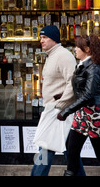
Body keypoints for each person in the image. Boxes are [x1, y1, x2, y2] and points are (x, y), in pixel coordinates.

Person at [58, 34, 100, 176]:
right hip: (82, 113)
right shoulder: (83, 66)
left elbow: (88, 95)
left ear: (88, 49)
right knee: (71, 150)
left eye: (78, 47)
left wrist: (66, 111)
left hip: (95, 115)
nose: (75, 49)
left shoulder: (94, 68)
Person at [31, 25, 85, 176]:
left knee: (45, 147)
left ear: (54, 39)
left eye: (45, 38)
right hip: (54, 110)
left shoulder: (63, 55)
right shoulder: (52, 55)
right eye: (41, 38)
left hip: (60, 111)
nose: (41, 41)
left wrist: (60, 106)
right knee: (69, 151)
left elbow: (72, 82)